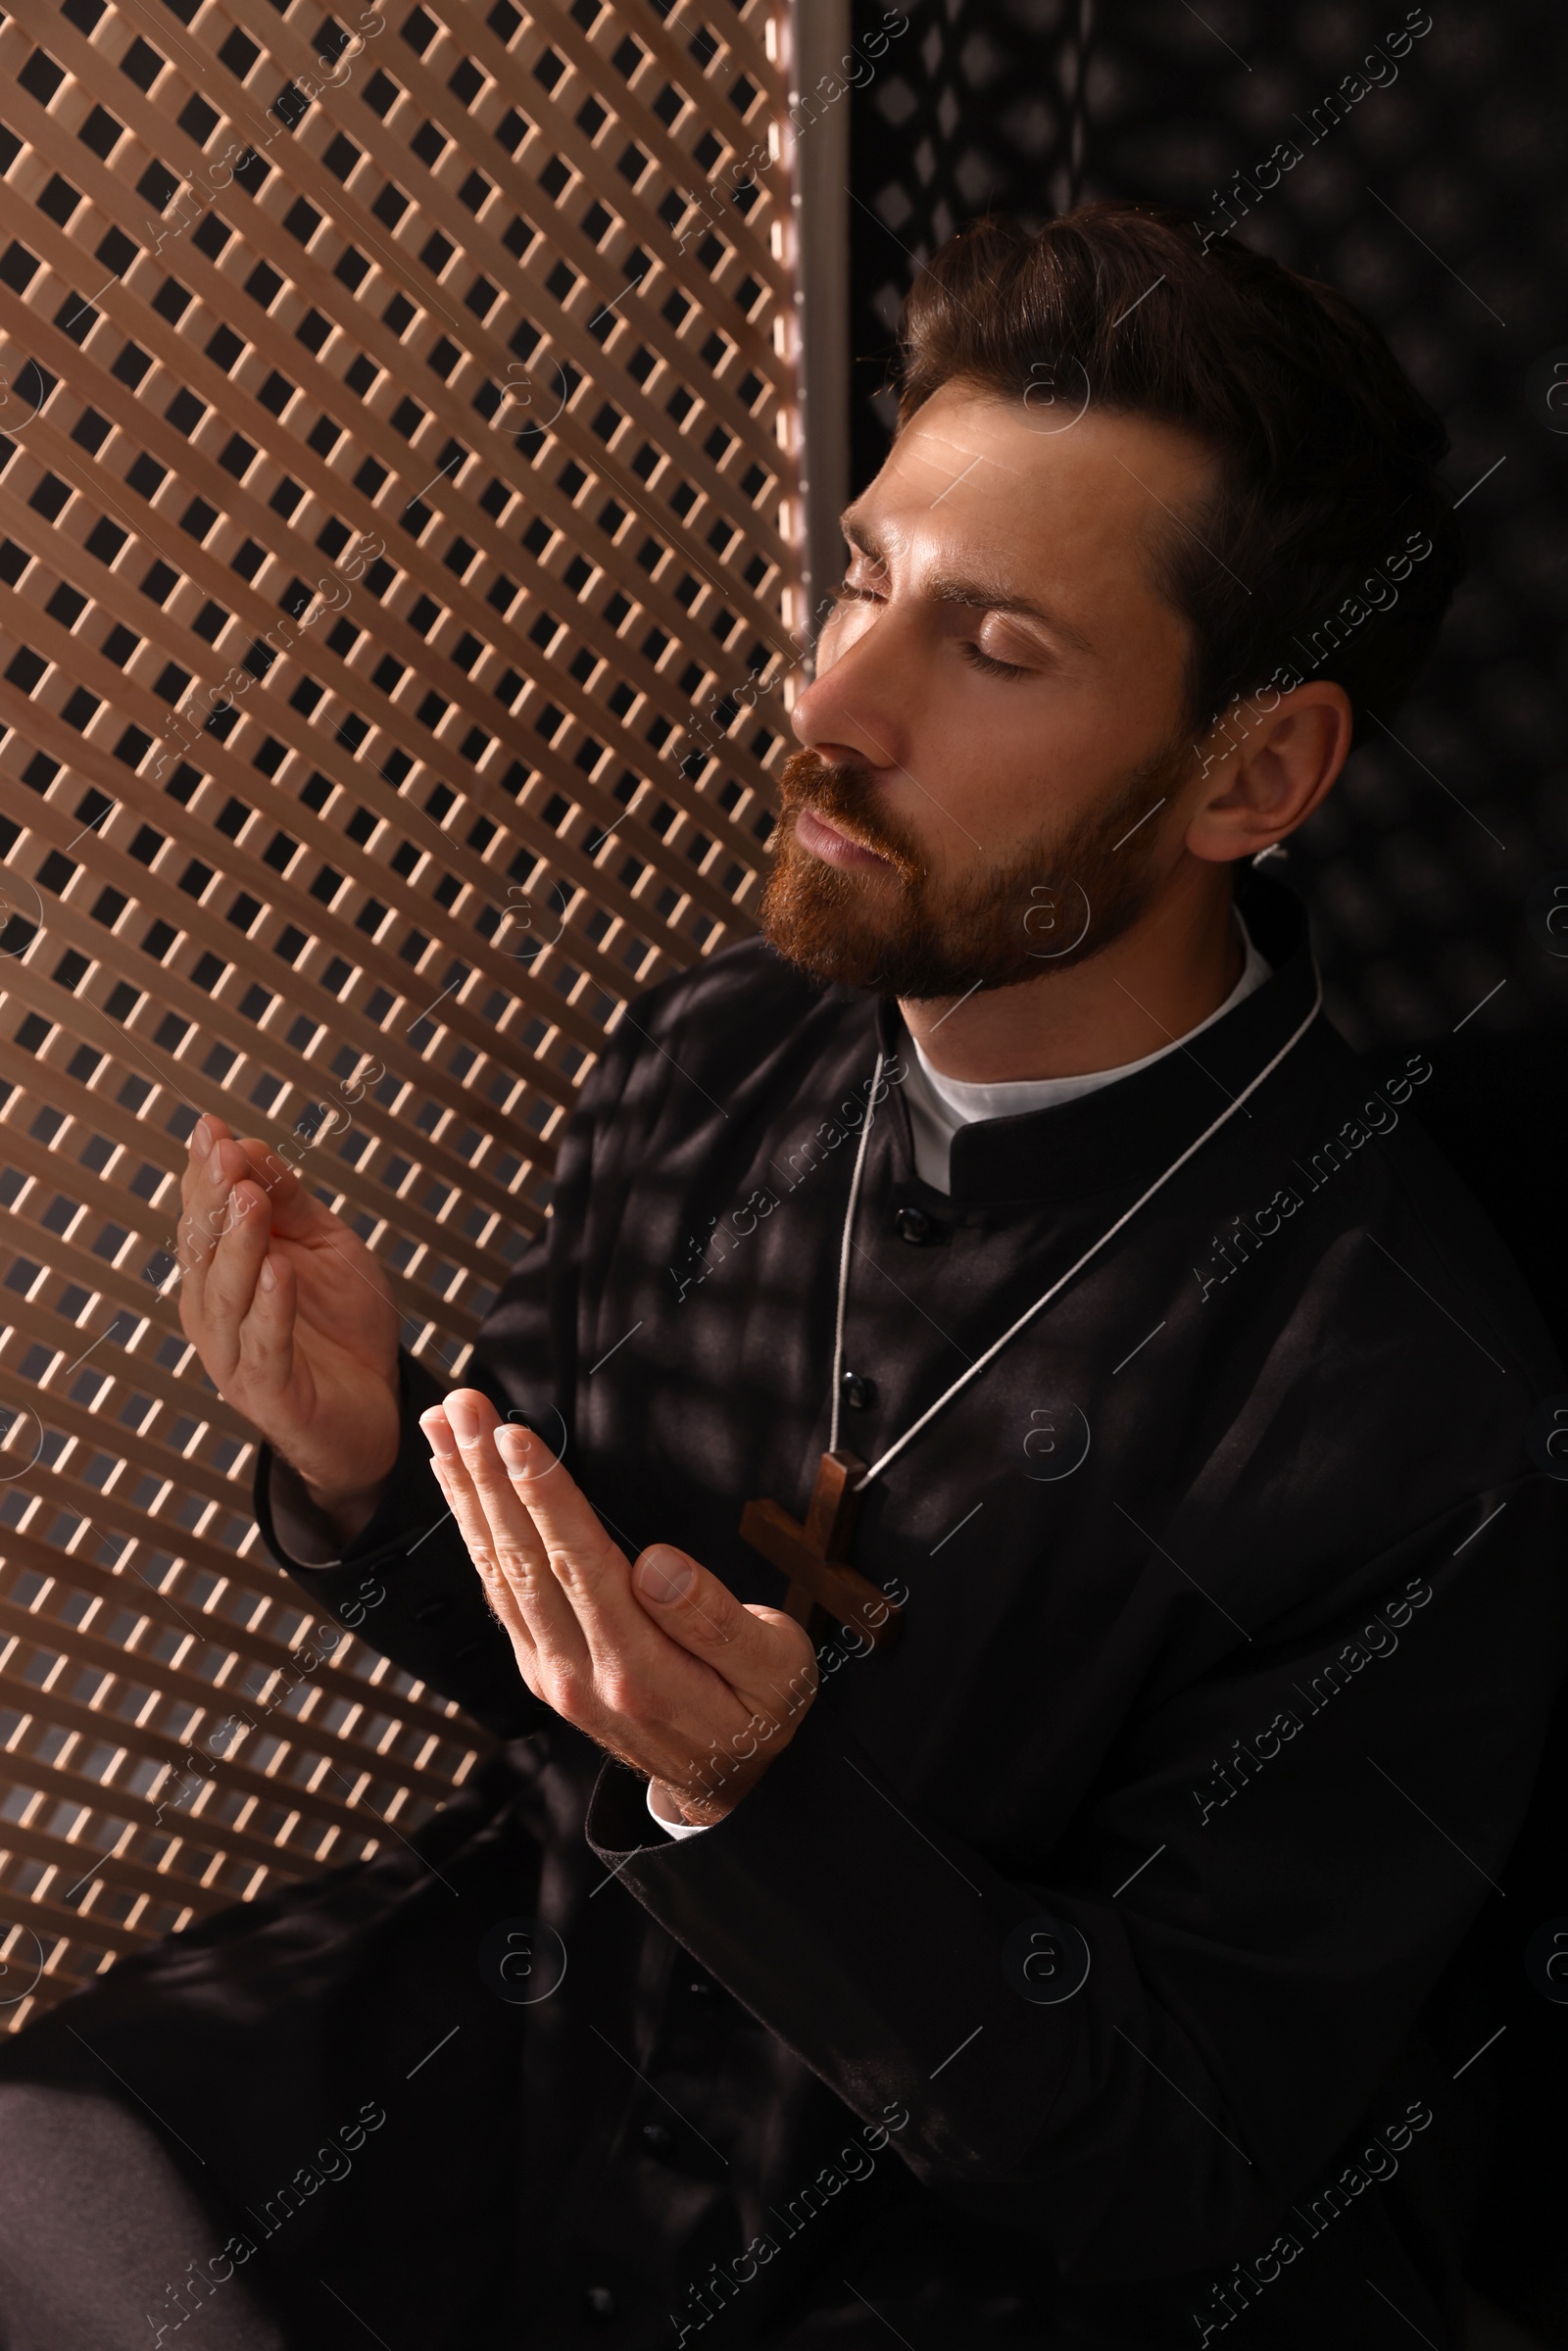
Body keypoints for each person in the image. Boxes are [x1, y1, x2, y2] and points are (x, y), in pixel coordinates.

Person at [2, 200, 1562, 2351]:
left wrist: (763, 1803)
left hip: (963, 2226)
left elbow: (1177, 2147)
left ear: (1251, 772)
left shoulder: (1409, 1402)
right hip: (552, 2004)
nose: (828, 701)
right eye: (857, 583)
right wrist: (369, 1473)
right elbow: (553, 1678)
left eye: (992, 648)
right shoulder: (727, 1038)